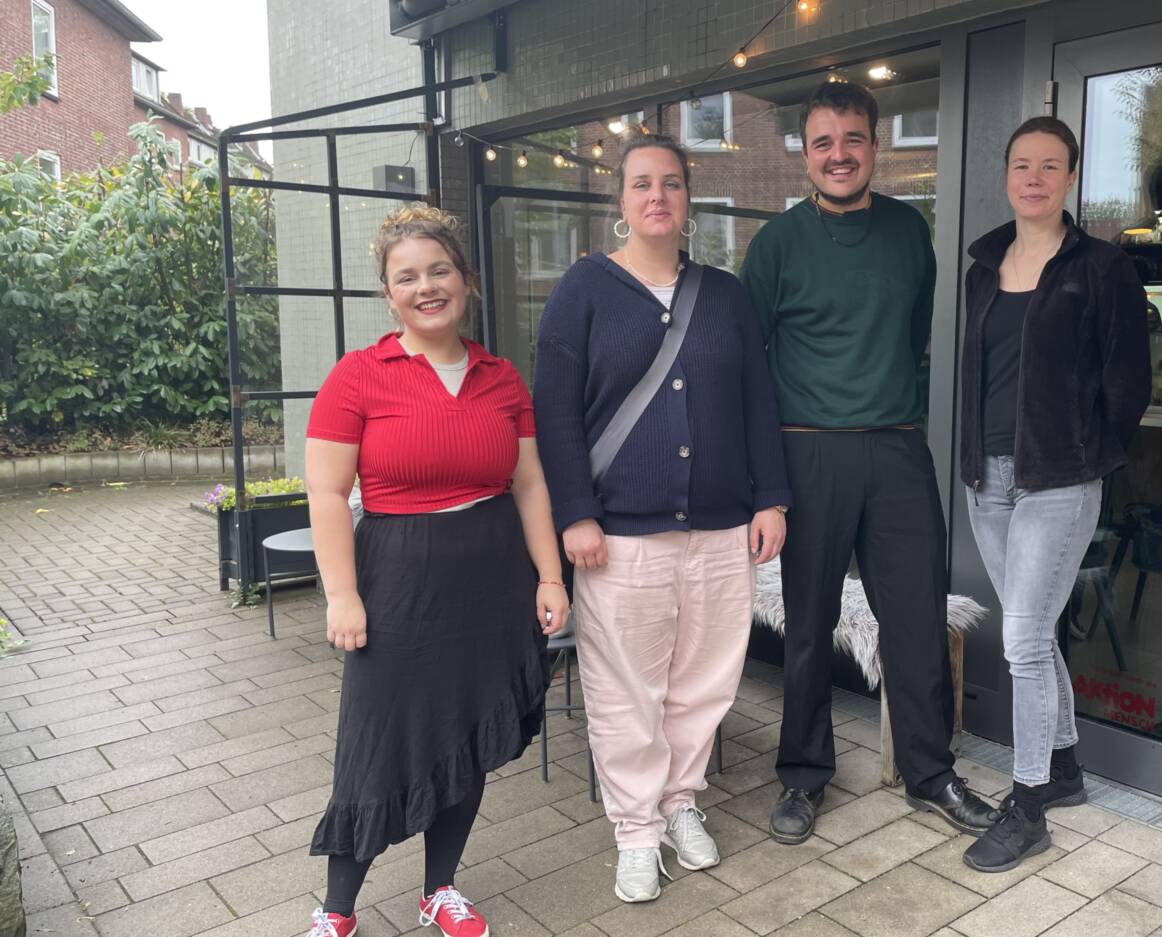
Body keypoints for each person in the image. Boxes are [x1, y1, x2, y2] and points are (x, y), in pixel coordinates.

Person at [532, 135, 792, 904]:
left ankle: (681, 801)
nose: (657, 196)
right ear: (621, 200)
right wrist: (574, 513)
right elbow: (554, 414)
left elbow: (758, 400)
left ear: (687, 199)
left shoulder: (725, 295)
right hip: (619, 534)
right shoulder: (583, 290)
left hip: (720, 528)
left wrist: (771, 497)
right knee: (625, 690)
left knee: (703, 682)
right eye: (642, 183)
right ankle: (636, 830)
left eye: (671, 183)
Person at [741, 81, 998, 845]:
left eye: (852, 139)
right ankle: (802, 774)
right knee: (809, 622)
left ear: (874, 147)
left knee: (915, 616)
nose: (839, 154)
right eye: (823, 142)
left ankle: (930, 771)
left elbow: (913, 335)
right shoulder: (777, 245)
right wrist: (766, 481)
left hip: (894, 447)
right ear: (805, 155)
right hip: (807, 449)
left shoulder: (908, 231)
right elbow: (748, 366)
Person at [302, 205, 568, 937]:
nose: (427, 287)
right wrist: (342, 594)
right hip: (397, 582)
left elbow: (530, 485)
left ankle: (439, 888)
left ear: (466, 280)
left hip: (492, 580)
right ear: (389, 295)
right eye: (407, 277)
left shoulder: (501, 378)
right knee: (376, 739)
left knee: (466, 732)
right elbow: (326, 493)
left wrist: (549, 576)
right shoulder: (358, 376)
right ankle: (337, 909)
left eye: (440, 270)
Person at [957, 116, 1150, 873]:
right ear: (1006, 175)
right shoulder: (984, 267)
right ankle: (1064, 768)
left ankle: (1029, 805)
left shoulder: (1101, 267)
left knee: (1023, 643)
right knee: (1030, 634)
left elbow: (1128, 382)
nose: (1033, 178)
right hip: (989, 478)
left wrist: (1086, 456)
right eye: (1021, 165)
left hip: (1057, 481)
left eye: (1049, 165)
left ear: (1070, 177)